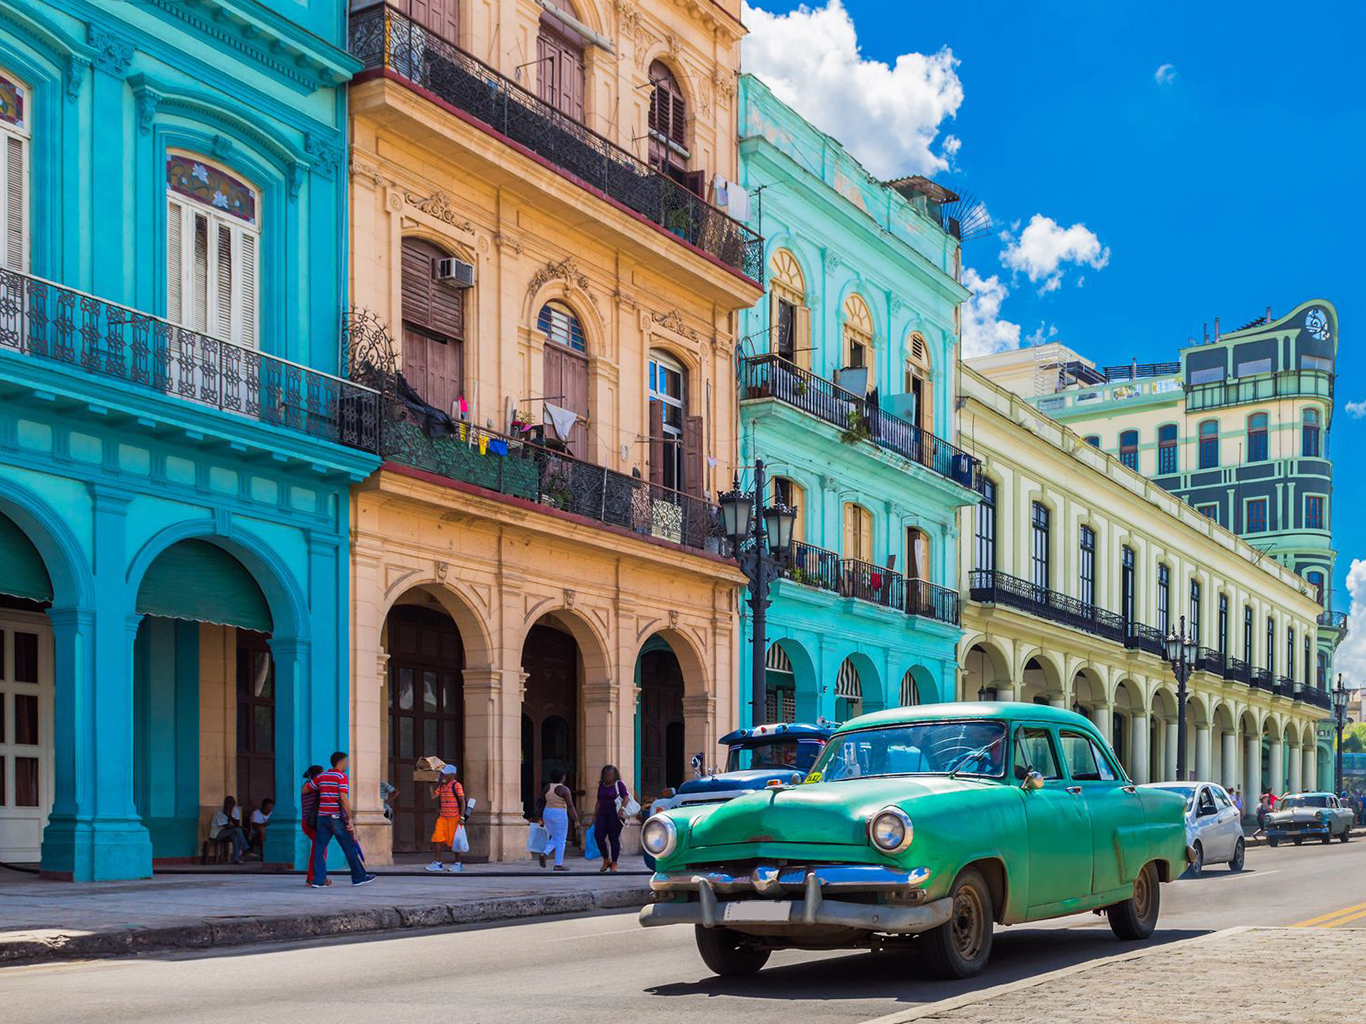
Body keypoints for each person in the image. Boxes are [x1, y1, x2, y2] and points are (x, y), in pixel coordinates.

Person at [308, 751, 375, 888]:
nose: (348, 764)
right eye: (347, 762)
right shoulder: (341, 777)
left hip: (322, 817)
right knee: (349, 847)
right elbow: (343, 798)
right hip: (336, 817)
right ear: (342, 762)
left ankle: (318, 880)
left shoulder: (321, 776)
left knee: (319, 849)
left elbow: (305, 789)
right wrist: (350, 818)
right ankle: (359, 877)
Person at [427, 764, 466, 873]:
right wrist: (430, 786)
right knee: (437, 839)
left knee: (455, 842)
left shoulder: (457, 785)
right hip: (443, 818)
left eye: (446, 773)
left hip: (454, 818)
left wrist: (462, 817)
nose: (443, 775)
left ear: (452, 775)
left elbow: (462, 801)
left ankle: (458, 863)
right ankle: (437, 862)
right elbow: (433, 797)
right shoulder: (442, 786)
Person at [540, 769, 579, 871]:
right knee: (561, 839)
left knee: (556, 837)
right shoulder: (564, 790)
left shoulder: (547, 787)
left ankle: (544, 853)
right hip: (559, 813)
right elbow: (570, 806)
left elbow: (541, 800)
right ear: (562, 778)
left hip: (547, 812)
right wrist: (576, 820)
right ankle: (558, 864)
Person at [594, 765, 630, 873]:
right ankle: (606, 859)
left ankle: (614, 863)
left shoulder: (619, 785)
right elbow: (598, 801)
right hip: (602, 814)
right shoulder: (602, 785)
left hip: (615, 815)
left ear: (614, 775)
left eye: (610, 774)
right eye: (606, 774)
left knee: (613, 838)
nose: (608, 776)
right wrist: (594, 815)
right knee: (598, 835)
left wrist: (622, 810)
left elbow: (626, 798)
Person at [301, 765, 326, 887]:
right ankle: (313, 877)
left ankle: (318, 876)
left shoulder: (307, 785)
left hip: (307, 822)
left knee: (319, 849)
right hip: (313, 823)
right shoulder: (314, 787)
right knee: (319, 850)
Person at [209, 796, 249, 864]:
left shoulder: (235, 810)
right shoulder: (219, 812)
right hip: (218, 833)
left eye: (232, 804)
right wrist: (239, 828)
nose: (230, 806)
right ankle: (245, 849)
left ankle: (236, 859)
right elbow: (226, 826)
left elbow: (237, 823)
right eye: (228, 804)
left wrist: (230, 816)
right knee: (237, 830)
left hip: (229, 833)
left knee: (235, 837)